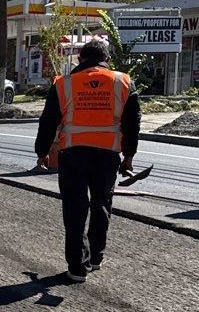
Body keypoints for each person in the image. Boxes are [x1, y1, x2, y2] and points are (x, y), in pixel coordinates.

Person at [34, 39, 140, 283]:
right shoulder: (122, 82)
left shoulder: (64, 84)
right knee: (101, 204)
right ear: (107, 60)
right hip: (107, 156)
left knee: (75, 208)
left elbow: (48, 121)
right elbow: (132, 122)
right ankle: (95, 258)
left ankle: (77, 267)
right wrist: (129, 155)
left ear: (80, 60)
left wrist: (42, 151)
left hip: (73, 154)